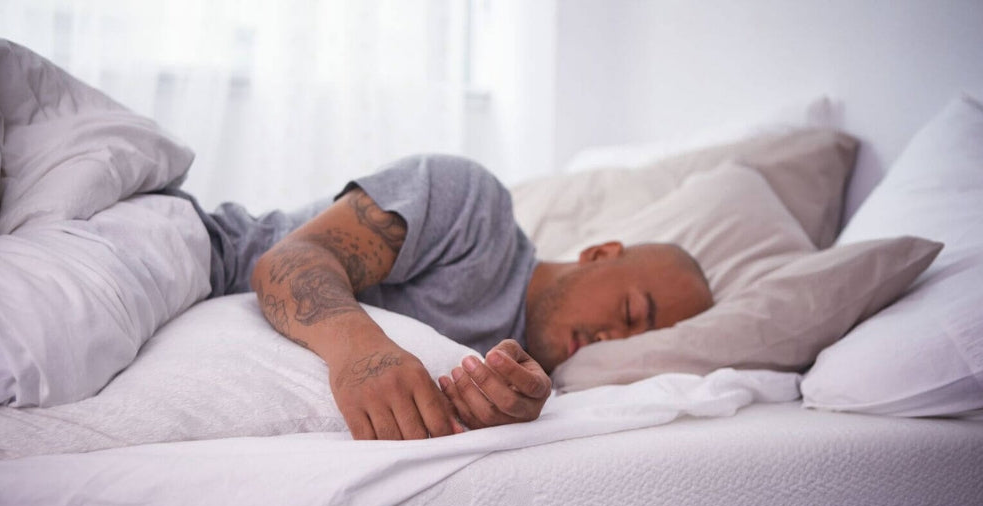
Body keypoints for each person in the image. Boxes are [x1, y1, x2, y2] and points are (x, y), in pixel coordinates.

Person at [182, 155, 713, 441]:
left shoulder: (517, 382)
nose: (611, 339)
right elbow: (286, 261)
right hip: (192, 252)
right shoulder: (476, 211)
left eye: (635, 342)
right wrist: (362, 352)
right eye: (629, 313)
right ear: (600, 254)